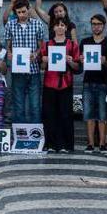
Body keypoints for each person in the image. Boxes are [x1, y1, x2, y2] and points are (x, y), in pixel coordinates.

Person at [40, 18, 81, 153]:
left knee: (65, 115)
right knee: (49, 115)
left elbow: (78, 68)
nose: (59, 27)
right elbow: (42, 66)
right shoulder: (47, 45)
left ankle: (65, 144)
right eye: (57, 25)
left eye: (62, 25)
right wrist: (44, 60)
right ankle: (50, 144)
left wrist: (70, 61)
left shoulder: (72, 45)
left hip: (66, 83)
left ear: (66, 28)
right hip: (49, 83)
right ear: (53, 28)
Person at [5, 0, 45, 124]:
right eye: (19, 12)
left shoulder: (37, 24)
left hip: (33, 70)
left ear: (29, 9)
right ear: (15, 12)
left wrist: (36, 54)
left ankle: (35, 135)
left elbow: (41, 47)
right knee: (18, 104)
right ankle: (20, 136)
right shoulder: (10, 25)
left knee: (34, 105)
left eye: (23, 11)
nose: (21, 14)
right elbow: (8, 46)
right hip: (17, 71)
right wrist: (10, 54)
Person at [80, 14, 107, 153]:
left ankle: (103, 143)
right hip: (88, 81)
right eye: (93, 24)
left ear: (104, 25)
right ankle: (90, 144)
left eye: (99, 24)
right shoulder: (85, 41)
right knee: (88, 114)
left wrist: (104, 61)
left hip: (103, 82)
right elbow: (79, 63)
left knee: (102, 114)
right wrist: (81, 60)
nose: (96, 26)